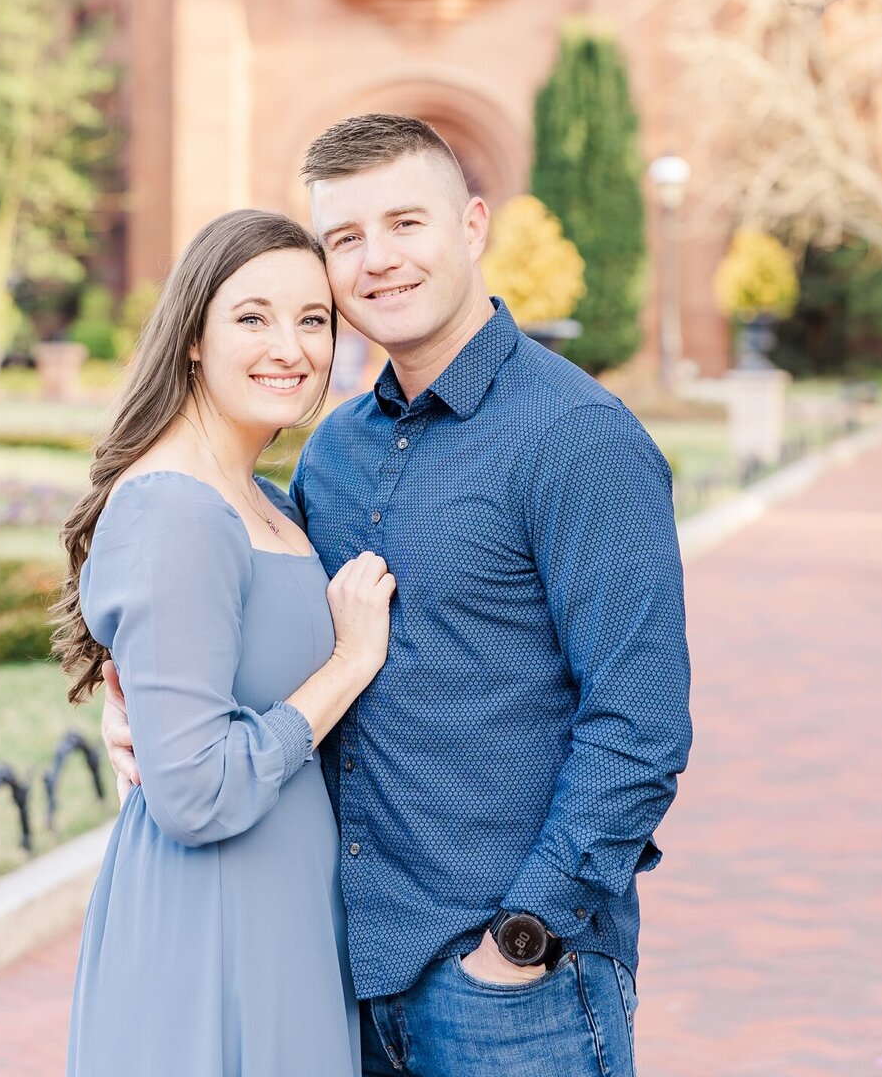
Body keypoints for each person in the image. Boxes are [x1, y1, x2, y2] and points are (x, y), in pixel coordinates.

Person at [103, 114, 692, 1077]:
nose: (377, 260)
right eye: (345, 238)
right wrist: (133, 696)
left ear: (470, 226)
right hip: (344, 973)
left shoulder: (579, 437)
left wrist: (524, 940)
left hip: (509, 987)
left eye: (405, 224)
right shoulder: (334, 450)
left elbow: (640, 723)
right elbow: (217, 589)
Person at [57, 208, 396, 1077]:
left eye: (313, 320)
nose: (291, 347)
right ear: (195, 337)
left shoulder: (267, 501)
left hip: (285, 919)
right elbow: (196, 795)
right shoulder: (179, 508)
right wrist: (348, 665)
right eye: (253, 317)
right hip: (210, 933)